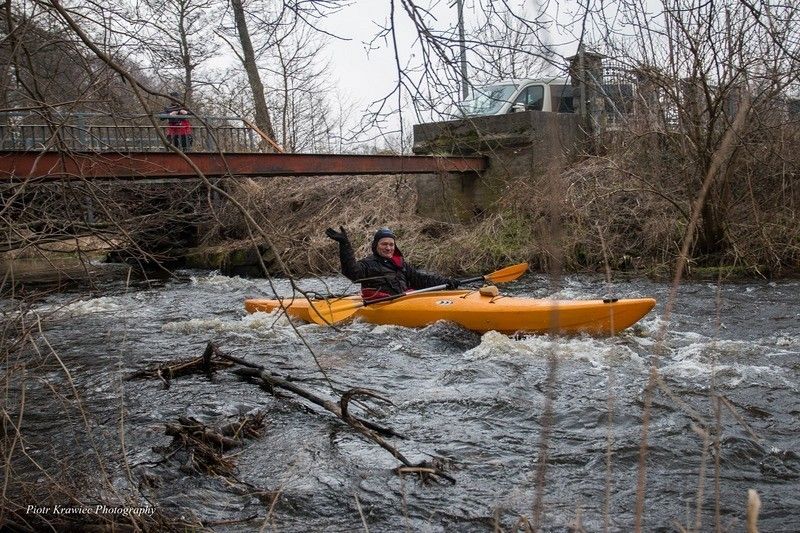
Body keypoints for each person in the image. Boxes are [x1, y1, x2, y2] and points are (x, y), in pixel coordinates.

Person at [325, 226, 460, 299]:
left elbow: (421, 279)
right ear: (376, 246)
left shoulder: (400, 264)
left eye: (391, 244)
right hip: (383, 304)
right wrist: (344, 244)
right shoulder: (368, 264)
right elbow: (351, 273)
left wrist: (446, 282)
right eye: (384, 244)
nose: (388, 248)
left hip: (405, 300)